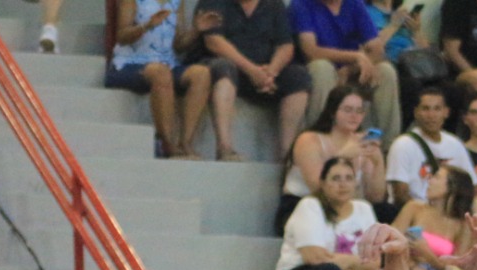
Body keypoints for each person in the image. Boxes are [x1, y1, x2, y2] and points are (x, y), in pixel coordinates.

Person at [194, 0, 311, 162]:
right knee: (223, 68)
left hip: (265, 75)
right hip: (228, 70)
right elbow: (214, 42)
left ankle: (286, 155)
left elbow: (286, 46)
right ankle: (225, 148)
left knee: (298, 76)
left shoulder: (274, 5)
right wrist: (251, 70)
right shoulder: (214, 2)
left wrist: (271, 72)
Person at [106, 0, 213, 161]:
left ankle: (185, 143)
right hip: (130, 63)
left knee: (202, 74)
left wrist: (195, 31)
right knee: (160, 73)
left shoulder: (177, 3)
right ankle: (167, 144)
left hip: (167, 63)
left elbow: (177, 45)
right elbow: (121, 36)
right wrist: (146, 26)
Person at [293, 0, 401, 151]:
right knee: (322, 68)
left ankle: (382, 146)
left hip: (351, 71)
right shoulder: (302, 5)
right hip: (320, 70)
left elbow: (377, 49)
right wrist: (354, 56)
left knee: (385, 71)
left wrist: (350, 69)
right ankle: (319, 143)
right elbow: (311, 51)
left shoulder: (354, 4)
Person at [279, 87, 387, 234]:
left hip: (346, 206)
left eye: (359, 111)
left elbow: (376, 197)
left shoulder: (362, 142)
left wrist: (378, 162)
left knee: (386, 212)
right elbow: (318, 188)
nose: (354, 116)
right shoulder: (309, 140)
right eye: (348, 110)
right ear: (332, 111)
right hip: (305, 204)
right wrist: (342, 156)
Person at [386, 86, 474, 207]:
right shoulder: (402, 145)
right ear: (416, 112)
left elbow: (471, 185)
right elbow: (400, 194)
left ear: (446, 112)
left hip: (448, 213)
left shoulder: (456, 144)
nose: (431, 115)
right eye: (425, 109)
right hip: (413, 213)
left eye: (437, 109)